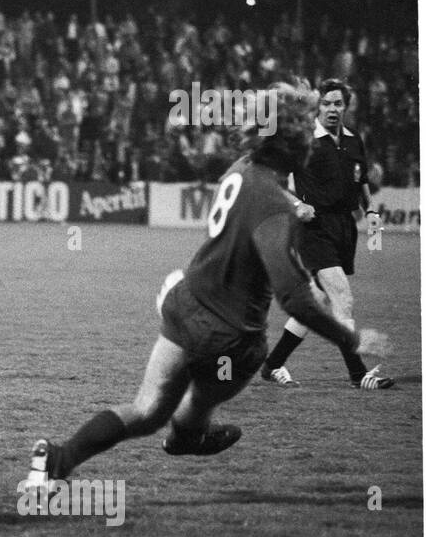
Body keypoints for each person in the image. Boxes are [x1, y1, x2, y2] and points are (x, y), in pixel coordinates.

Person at [26, 81, 390, 485]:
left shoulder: (240, 171)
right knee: (197, 401)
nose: (311, 140)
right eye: (305, 131)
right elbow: (295, 298)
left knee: (146, 410)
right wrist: (352, 340)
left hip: (187, 307)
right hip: (230, 339)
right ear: (293, 142)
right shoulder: (271, 202)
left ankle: (57, 460)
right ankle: (188, 435)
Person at [260, 78, 393, 389]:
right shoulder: (303, 140)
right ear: (317, 106)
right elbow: (273, 181)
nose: (332, 109)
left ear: (345, 106)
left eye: (338, 104)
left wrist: (371, 211)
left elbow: (361, 184)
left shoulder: (353, 140)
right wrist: (296, 205)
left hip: (344, 228)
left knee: (317, 302)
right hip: (312, 229)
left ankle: (272, 364)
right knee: (342, 299)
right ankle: (358, 373)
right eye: (326, 104)